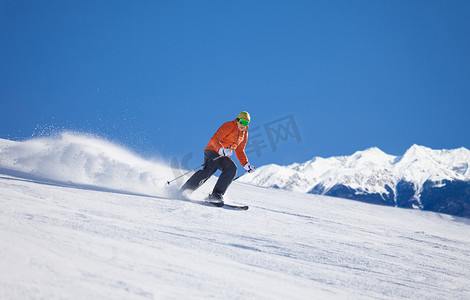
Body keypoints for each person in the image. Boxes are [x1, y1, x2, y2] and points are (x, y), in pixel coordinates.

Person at [180, 111, 256, 203]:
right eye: (242, 122)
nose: (243, 125)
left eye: (246, 123)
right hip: (212, 151)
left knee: (232, 168)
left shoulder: (244, 134)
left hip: (223, 156)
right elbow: (214, 139)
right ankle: (185, 190)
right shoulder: (229, 126)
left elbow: (240, 150)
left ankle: (216, 195)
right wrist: (221, 150)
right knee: (211, 168)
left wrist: (246, 165)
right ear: (237, 120)